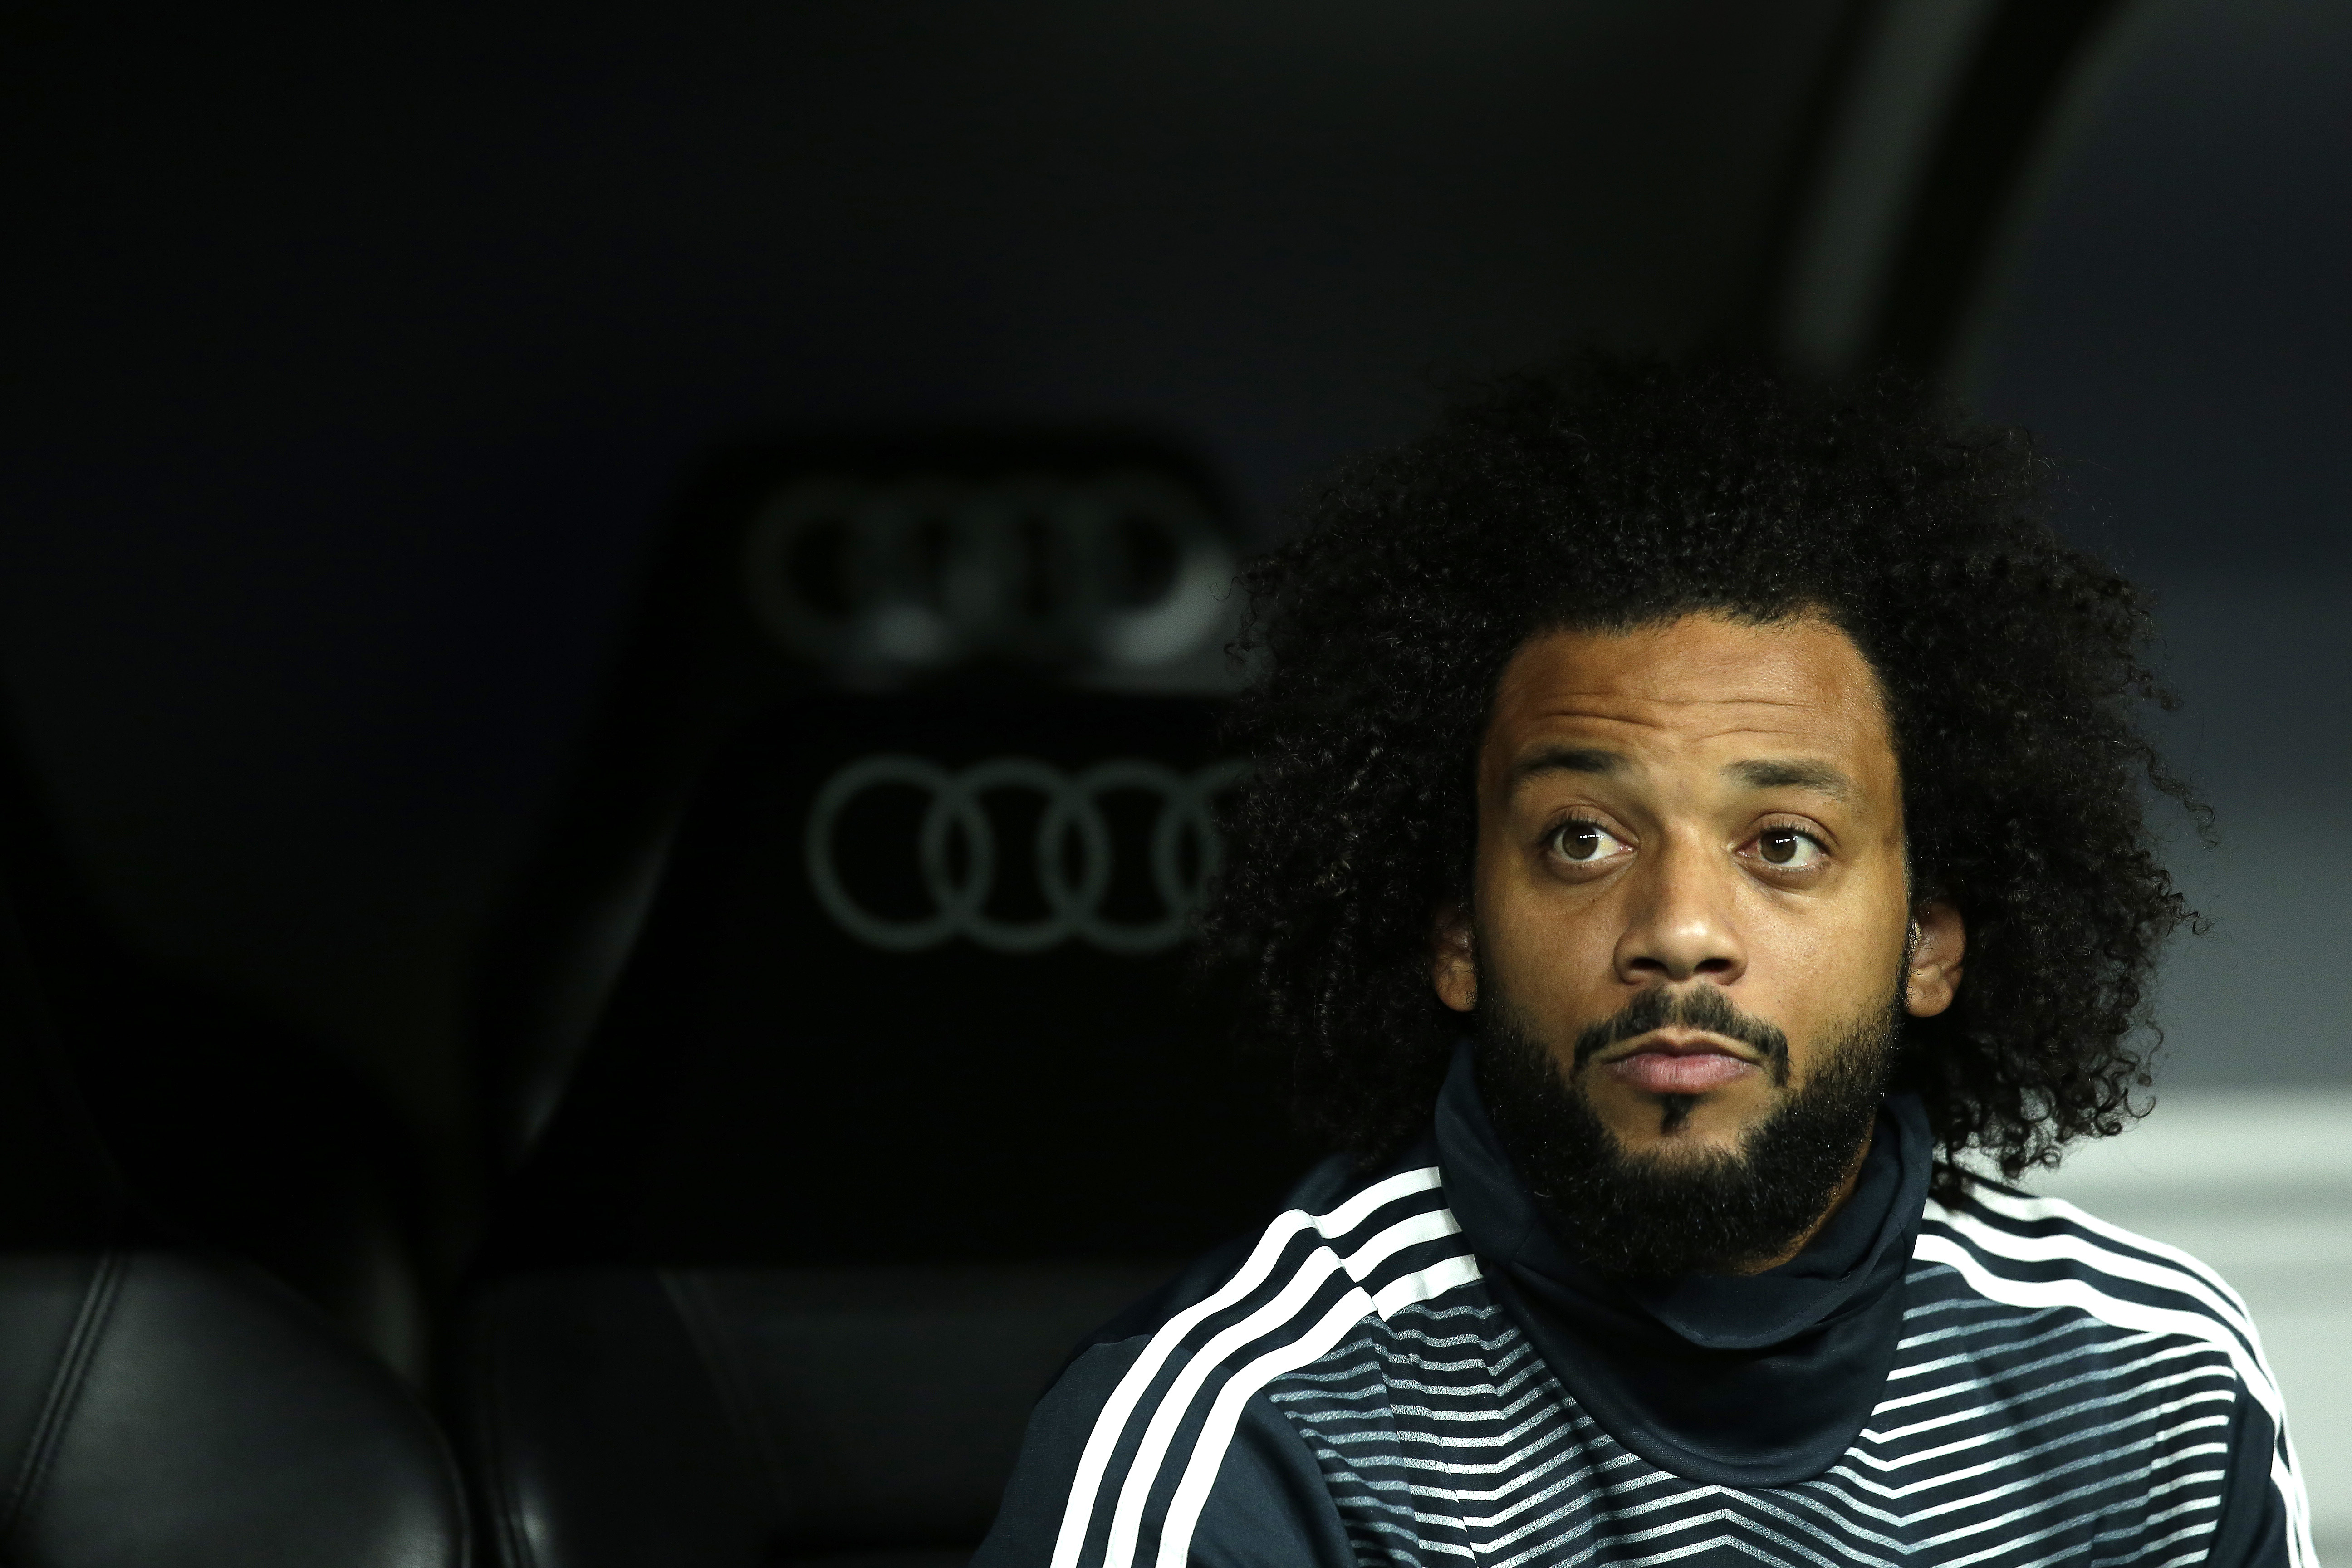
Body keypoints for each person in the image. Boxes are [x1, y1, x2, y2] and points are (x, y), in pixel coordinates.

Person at [971, 353, 2315, 1568]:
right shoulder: (1252, 1437)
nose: (1679, 929)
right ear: (1455, 936)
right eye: (1580, 841)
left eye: (1783, 844)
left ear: (1931, 944)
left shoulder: (2154, 1401)